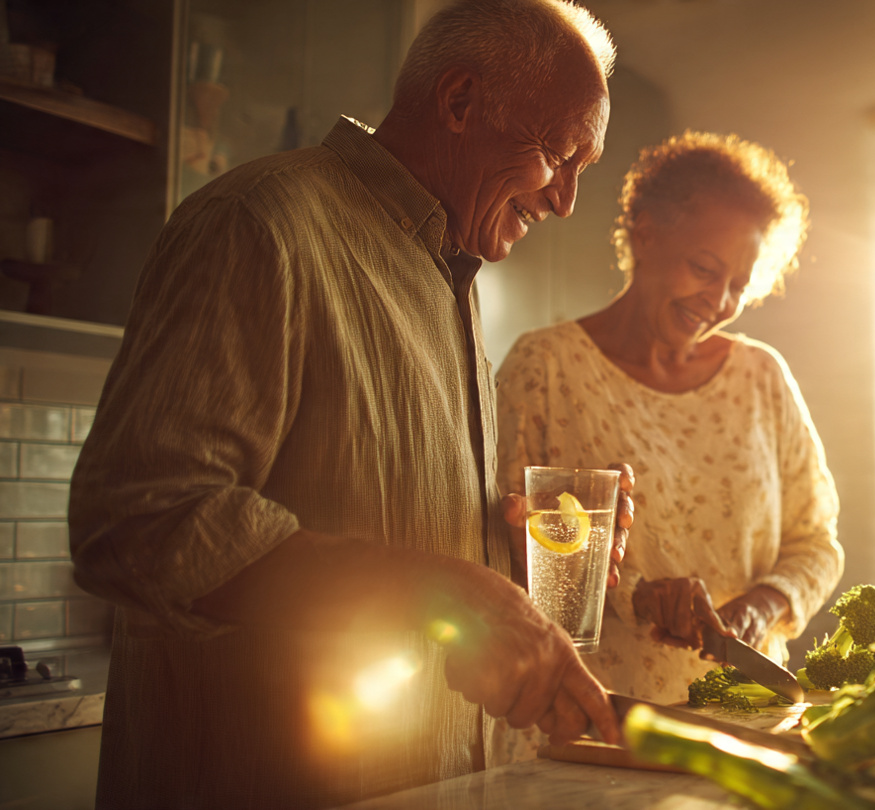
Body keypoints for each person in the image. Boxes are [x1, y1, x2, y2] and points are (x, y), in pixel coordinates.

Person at [66, 2, 634, 807]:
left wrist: (508, 557)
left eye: (586, 166)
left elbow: (381, 533)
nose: (566, 199)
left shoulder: (451, 278)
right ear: (461, 102)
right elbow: (137, 520)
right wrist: (442, 591)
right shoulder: (260, 224)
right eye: (555, 153)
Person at [487, 131, 843, 765]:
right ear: (645, 234)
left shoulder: (762, 378)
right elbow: (504, 560)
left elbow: (817, 544)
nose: (720, 301)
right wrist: (638, 596)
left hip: (746, 731)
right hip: (594, 731)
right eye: (705, 269)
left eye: (740, 283)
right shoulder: (545, 368)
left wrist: (760, 609)